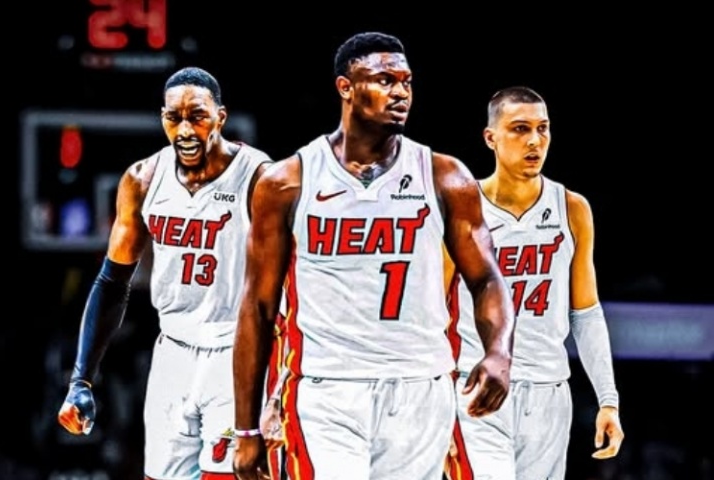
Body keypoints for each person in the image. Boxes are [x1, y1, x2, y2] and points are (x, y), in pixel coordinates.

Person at [231, 31, 516, 480]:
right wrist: (246, 428)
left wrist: (499, 351)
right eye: (385, 80)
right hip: (326, 388)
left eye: (406, 81)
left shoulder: (446, 177)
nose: (400, 92)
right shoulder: (287, 181)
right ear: (345, 87)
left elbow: (487, 278)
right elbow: (258, 306)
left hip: (422, 384)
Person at [57, 66, 273, 480]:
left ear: (221, 117)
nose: (185, 129)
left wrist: (281, 382)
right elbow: (112, 281)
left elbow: (287, 280)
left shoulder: (259, 177)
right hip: (171, 351)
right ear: (162, 118)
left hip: (236, 352)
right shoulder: (142, 180)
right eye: (174, 117)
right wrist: (81, 379)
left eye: (198, 116)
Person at [445, 86, 624, 480]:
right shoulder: (461, 208)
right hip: (477, 386)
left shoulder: (572, 208)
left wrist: (608, 400)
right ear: (490, 138)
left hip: (550, 394)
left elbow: (586, 313)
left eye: (543, 128)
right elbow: (431, 312)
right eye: (520, 129)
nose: (534, 140)